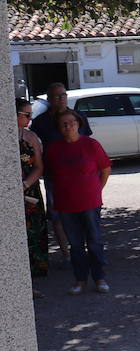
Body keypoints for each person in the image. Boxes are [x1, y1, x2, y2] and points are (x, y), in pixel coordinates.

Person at [46, 110, 112, 295]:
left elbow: (105, 169)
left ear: (79, 123)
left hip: (90, 201)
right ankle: (80, 279)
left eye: (71, 122)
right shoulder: (53, 149)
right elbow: (50, 174)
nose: (68, 126)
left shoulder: (91, 145)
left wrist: (97, 189)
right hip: (66, 203)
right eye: (64, 124)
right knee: (75, 244)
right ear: (59, 128)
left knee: (94, 240)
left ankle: (99, 278)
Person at [31, 82, 90, 261]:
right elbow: (36, 149)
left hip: (79, 176)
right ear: (49, 100)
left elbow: (86, 144)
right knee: (57, 215)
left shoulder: (78, 117)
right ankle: (66, 254)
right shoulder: (41, 122)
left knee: (83, 212)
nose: (61, 99)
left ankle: (83, 250)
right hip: (54, 176)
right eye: (56, 96)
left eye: (63, 95)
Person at [17, 98, 48, 281]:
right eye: (26, 115)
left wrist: (25, 185)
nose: (30, 119)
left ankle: (34, 276)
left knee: (34, 232)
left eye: (31, 115)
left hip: (30, 190)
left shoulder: (31, 137)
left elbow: (39, 167)